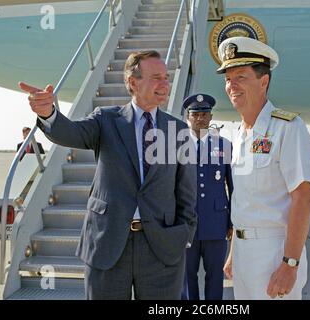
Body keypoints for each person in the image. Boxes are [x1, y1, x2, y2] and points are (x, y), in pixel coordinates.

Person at [19, 50, 197, 300]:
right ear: (133, 82)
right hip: (108, 245)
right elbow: (70, 133)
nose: (165, 84)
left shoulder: (177, 129)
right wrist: (49, 114)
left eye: (166, 78)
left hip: (161, 248)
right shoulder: (106, 120)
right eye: (156, 77)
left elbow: (186, 191)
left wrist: (183, 236)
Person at [218, 37, 310, 300]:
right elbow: (244, 200)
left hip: (274, 253)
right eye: (228, 78)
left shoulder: (287, 128)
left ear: (264, 81)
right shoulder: (238, 135)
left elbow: (303, 198)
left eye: (240, 77)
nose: (231, 85)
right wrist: (233, 253)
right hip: (243, 256)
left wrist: (290, 264)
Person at [182, 93, 233, 300]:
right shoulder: (177, 146)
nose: (200, 118)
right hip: (186, 226)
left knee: (215, 278)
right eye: (196, 114)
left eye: (205, 114)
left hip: (216, 224)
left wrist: (231, 222)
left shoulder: (224, 146)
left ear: (211, 117)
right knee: (187, 278)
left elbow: (233, 187)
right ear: (188, 117)